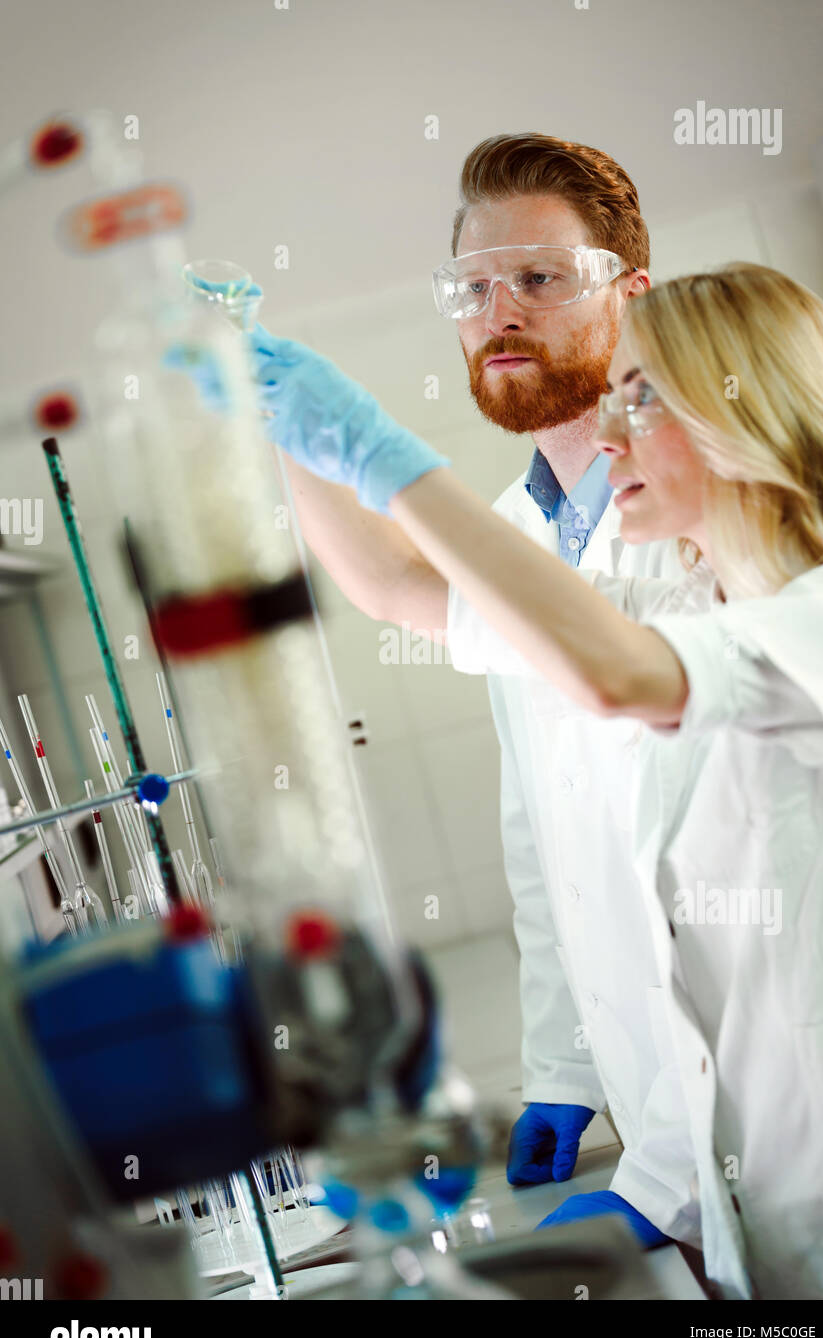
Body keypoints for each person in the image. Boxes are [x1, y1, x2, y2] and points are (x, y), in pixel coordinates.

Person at [241, 260, 823, 1299]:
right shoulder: (678, 606)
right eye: (613, 392)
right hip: (770, 1234)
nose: (608, 435)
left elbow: (616, 674)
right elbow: (403, 586)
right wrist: (289, 431)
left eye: (645, 396)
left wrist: (386, 456)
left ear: (749, 406)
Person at [267, 135, 701, 1251]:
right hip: (654, 1096)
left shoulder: (710, 497)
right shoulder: (513, 536)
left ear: (628, 293)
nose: (497, 310)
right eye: (470, 287)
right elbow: (545, 836)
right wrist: (560, 1060)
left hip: (761, 1103)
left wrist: (675, 1170)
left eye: (538, 278)